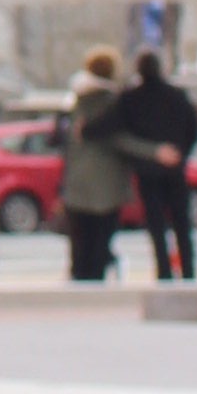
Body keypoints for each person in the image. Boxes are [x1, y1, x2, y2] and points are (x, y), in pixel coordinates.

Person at [116, 45, 197, 281]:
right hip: (175, 170)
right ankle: (188, 272)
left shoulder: (130, 100)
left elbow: (123, 134)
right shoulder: (177, 96)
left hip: (147, 171)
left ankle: (164, 271)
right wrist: (180, 154)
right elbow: (193, 130)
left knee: (156, 225)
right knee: (182, 224)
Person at [59, 43, 131, 281]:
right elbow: (123, 140)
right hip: (108, 184)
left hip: (77, 184)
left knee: (80, 247)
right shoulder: (115, 103)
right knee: (101, 244)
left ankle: (79, 287)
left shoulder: (74, 102)